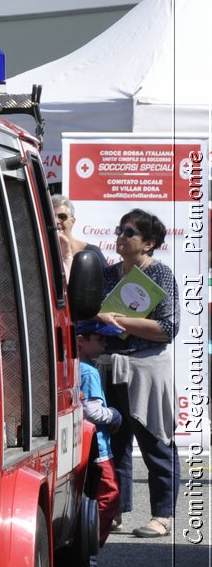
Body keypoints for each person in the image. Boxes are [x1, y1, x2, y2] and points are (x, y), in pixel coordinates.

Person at [97, 208, 180, 538]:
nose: (121, 236)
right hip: (108, 365)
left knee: (155, 443)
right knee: (114, 446)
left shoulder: (160, 275)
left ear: (149, 243)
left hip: (145, 369)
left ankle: (162, 516)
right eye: (120, 229)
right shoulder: (107, 274)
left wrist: (117, 319)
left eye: (129, 232)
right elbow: (91, 316)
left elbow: (168, 328)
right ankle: (116, 511)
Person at [74, 319, 124, 567]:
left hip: (79, 447)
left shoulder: (72, 367)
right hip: (98, 449)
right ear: (81, 341)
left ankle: (83, 554)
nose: (105, 343)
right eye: (100, 339)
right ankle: (89, 555)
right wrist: (115, 416)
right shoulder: (89, 372)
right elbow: (92, 411)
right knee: (108, 498)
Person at [51, 194, 93, 277]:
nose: (56, 221)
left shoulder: (89, 251)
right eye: (51, 216)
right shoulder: (38, 250)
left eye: (62, 216)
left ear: (72, 221)